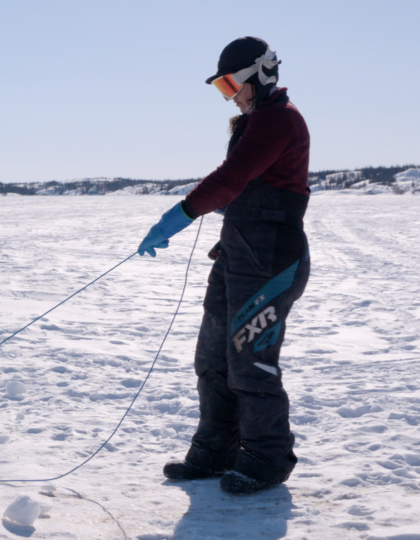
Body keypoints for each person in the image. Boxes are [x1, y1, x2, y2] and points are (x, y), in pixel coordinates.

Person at [136, 37, 311, 495]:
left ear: (261, 73)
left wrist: (180, 215)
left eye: (232, 83)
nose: (230, 94)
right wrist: (214, 208)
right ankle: (216, 449)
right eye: (222, 87)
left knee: (250, 360)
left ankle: (266, 456)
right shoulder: (254, 123)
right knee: (213, 356)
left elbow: (233, 179)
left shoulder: (279, 120)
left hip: (271, 259)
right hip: (237, 254)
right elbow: (245, 187)